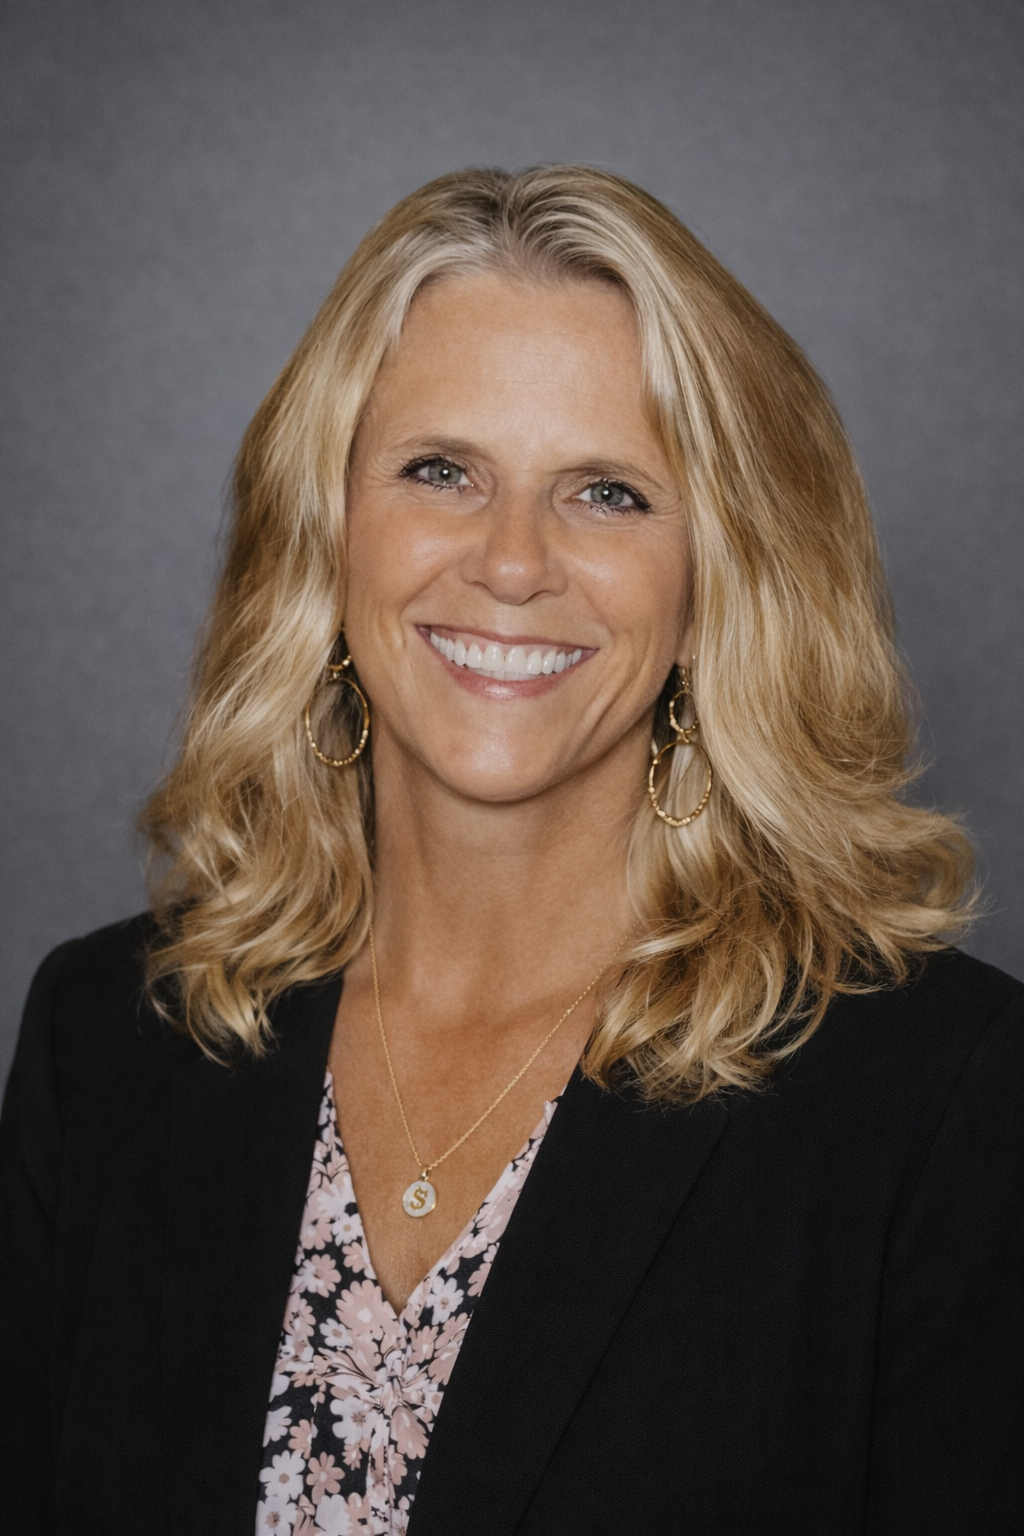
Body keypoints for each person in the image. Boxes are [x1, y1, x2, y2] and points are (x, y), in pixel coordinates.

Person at [1, 166, 1020, 1536]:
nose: (512, 560)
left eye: (606, 491)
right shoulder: (108, 1040)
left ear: (720, 584)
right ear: (328, 536)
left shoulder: (948, 1102)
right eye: (441, 470)